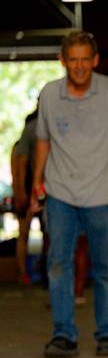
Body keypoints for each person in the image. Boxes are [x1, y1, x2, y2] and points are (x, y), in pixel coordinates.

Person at [31, 30, 108, 358]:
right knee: (58, 264)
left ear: (95, 60)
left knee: (106, 266)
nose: (80, 67)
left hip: (104, 193)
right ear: (63, 61)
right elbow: (43, 140)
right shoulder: (50, 94)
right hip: (60, 191)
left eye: (86, 59)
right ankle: (63, 334)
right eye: (73, 60)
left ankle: (107, 333)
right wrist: (36, 182)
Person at [12, 110, 38, 285]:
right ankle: (22, 273)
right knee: (23, 234)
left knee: (24, 235)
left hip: (34, 191)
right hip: (27, 191)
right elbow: (16, 169)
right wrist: (20, 192)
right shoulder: (20, 148)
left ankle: (25, 273)